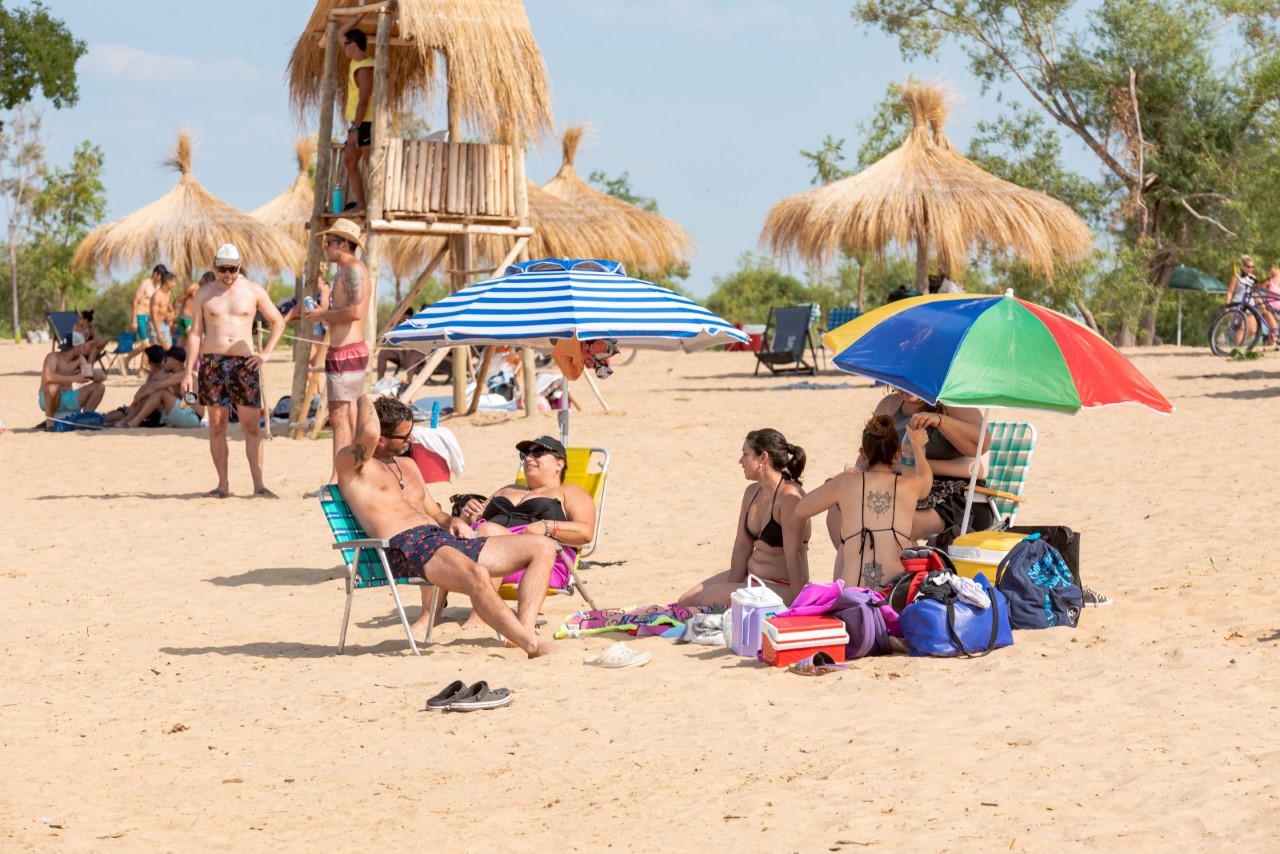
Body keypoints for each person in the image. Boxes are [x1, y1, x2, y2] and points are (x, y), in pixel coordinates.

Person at [337, 394, 556, 657]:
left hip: (440, 539)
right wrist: (363, 398)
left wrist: (453, 521)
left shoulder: (407, 465)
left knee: (542, 547)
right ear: (382, 440)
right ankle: (531, 645)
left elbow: (435, 513)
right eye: (403, 437)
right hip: (405, 546)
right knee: (476, 574)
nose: (411, 440)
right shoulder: (354, 465)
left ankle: (525, 632)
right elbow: (369, 431)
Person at [449, 435, 597, 628]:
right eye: (525, 454)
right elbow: (470, 523)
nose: (528, 458)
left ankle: (480, 614)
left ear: (559, 464)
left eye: (538, 453)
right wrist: (467, 514)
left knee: (490, 530)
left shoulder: (569, 491)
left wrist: (549, 526)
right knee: (434, 535)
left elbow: (586, 532)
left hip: (533, 561)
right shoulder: (507, 489)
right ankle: (429, 616)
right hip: (477, 550)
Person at [180, 243, 286, 498]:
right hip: (212, 363)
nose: (227, 274)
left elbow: (278, 321)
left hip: (245, 364)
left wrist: (266, 353)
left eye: (232, 269)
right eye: (223, 269)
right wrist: (187, 371)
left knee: (252, 425)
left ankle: (259, 485)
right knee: (217, 425)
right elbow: (194, 334)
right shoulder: (205, 293)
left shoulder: (253, 291)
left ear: (240, 266)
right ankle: (222, 485)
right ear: (215, 266)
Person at [794, 415, 932, 589]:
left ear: (863, 454)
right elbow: (926, 478)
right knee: (911, 543)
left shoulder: (845, 482)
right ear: (897, 454)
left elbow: (801, 509)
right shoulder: (910, 485)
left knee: (845, 540)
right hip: (892, 593)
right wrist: (916, 445)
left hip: (854, 595)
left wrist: (841, 479)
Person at [677, 429, 810, 607]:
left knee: (705, 599)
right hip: (752, 576)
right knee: (685, 601)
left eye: (745, 454)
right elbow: (742, 546)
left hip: (782, 586)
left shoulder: (789, 497)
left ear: (763, 457)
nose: (740, 461)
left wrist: (799, 602)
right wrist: (731, 589)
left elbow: (793, 554)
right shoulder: (752, 493)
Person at [302, 218, 369, 476]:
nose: (326, 247)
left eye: (329, 242)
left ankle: (339, 477)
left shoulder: (353, 270)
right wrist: (322, 314)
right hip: (343, 351)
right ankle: (349, 474)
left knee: (340, 417)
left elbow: (356, 311)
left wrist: (322, 315)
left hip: (347, 352)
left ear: (343, 244)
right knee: (347, 415)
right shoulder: (343, 271)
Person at [117, 346, 204, 429]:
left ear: (175, 361)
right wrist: (140, 396)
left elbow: (157, 386)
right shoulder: (174, 376)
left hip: (192, 417)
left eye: (166, 360)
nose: (163, 363)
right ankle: (128, 419)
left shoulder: (184, 374)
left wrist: (138, 398)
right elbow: (150, 385)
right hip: (184, 413)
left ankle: (134, 422)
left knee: (160, 392)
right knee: (153, 392)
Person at [338, 18, 374, 214]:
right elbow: (340, 33)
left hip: (365, 123)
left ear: (353, 46)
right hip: (357, 123)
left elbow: (364, 100)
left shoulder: (365, 68)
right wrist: (359, 16)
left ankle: (377, 203)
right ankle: (361, 203)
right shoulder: (355, 62)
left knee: (371, 163)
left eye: (345, 45)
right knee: (350, 161)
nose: (342, 47)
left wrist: (355, 129)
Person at [38, 333, 106, 430]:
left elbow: (88, 374)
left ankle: (84, 419)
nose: (84, 348)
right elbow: (48, 376)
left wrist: (98, 375)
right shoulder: (53, 357)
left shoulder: (80, 358)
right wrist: (74, 378)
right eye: (82, 346)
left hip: (68, 397)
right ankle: (50, 424)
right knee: (52, 388)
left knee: (99, 387)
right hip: (49, 398)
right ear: (76, 348)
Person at [123, 264, 167, 373]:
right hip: (141, 316)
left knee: (151, 344)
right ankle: (126, 360)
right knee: (146, 344)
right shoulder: (145, 284)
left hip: (151, 318)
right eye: (161, 276)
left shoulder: (158, 287)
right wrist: (134, 320)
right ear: (155, 274)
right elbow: (135, 301)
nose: (161, 279)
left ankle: (141, 370)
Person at [150, 271, 178, 348]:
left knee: (168, 349)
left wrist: (173, 312)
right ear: (168, 282)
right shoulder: (156, 296)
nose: (175, 284)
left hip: (164, 324)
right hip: (154, 326)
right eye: (173, 281)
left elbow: (168, 305)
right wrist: (158, 333)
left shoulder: (168, 293)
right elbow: (154, 317)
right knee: (156, 351)